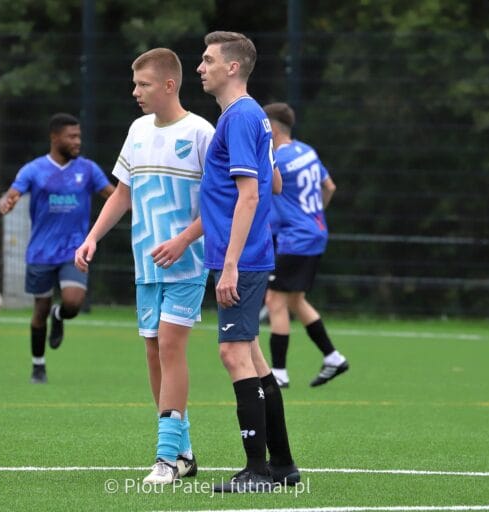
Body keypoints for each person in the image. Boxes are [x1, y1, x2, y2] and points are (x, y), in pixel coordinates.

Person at [74, 48, 213, 484]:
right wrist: (92, 237)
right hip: (146, 265)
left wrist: (182, 240)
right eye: (135, 84)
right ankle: (184, 450)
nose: (135, 92)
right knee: (153, 353)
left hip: (188, 262)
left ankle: (165, 459)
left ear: (169, 85)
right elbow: (122, 193)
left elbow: (220, 204)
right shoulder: (136, 130)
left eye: (143, 85)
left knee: (171, 347)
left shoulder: (201, 133)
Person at [196, 31, 299, 493]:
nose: (201, 67)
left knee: (232, 353)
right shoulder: (252, 117)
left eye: (208, 59)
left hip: (243, 257)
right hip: (251, 253)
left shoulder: (239, 117)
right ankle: (282, 465)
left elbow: (253, 192)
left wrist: (231, 263)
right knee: (255, 359)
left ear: (232, 67)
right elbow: (274, 182)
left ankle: (256, 471)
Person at [0, 113, 114, 384]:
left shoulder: (87, 169)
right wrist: (6, 202)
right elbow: (11, 194)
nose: (77, 142)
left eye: (79, 136)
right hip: (40, 251)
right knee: (39, 310)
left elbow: (114, 195)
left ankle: (59, 315)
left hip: (74, 250)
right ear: (55, 138)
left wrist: (140, 204)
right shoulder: (34, 170)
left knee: (73, 302)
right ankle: (38, 366)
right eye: (71, 137)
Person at [263, 102, 349, 389]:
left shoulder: (278, 159)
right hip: (316, 233)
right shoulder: (307, 151)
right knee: (295, 300)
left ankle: (279, 372)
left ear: (273, 128)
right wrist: (315, 217)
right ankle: (333, 357)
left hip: (295, 239)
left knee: (275, 300)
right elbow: (330, 187)